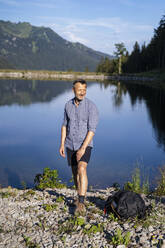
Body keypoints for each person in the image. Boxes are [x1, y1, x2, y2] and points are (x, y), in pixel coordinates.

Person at [59, 79, 99, 215]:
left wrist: (82, 148)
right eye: (79, 89)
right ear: (73, 90)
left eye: (84, 89)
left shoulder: (91, 107)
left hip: (85, 144)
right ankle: (78, 197)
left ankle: (81, 203)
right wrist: (62, 144)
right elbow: (64, 125)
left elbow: (92, 130)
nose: (82, 92)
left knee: (82, 168)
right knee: (75, 173)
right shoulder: (67, 105)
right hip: (70, 143)